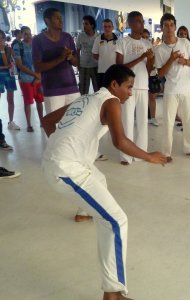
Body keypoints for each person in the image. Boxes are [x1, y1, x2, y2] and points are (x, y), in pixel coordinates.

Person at [41, 64, 167, 299]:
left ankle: (85, 212)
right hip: (66, 169)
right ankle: (113, 293)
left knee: (99, 178)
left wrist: (60, 146)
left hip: (60, 162)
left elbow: (47, 121)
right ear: (113, 86)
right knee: (117, 220)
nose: (130, 92)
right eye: (128, 87)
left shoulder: (84, 99)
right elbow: (120, 141)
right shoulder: (111, 102)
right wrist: (149, 156)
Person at [155, 13, 190, 162]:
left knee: (188, 121)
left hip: (186, 88)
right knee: (168, 123)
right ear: (161, 28)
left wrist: (184, 61)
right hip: (171, 90)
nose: (169, 28)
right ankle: (166, 153)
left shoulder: (185, 42)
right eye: (166, 25)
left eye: (171, 25)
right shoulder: (159, 49)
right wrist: (171, 59)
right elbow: (160, 73)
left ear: (175, 26)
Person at [116, 11, 153, 165]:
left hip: (143, 86)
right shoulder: (123, 42)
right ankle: (126, 155)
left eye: (142, 21)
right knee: (127, 121)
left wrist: (149, 59)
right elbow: (119, 67)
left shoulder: (147, 43)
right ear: (130, 23)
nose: (142, 24)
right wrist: (141, 57)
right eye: (138, 21)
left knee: (143, 122)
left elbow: (149, 69)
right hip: (127, 88)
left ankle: (140, 153)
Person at [32, 7, 80, 114]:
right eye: (57, 18)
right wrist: (60, 58)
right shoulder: (38, 40)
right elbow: (38, 67)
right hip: (53, 90)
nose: (61, 20)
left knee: (75, 123)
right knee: (55, 127)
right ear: (47, 20)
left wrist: (71, 57)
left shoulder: (67, 37)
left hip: (72, 88)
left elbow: (76, 63)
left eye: (61, 17)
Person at [13, 26, 44, 132]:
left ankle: (42, 121)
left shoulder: (36, 45)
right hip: (26, 79)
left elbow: (41, 62)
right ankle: (29, 125)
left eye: (29, 33)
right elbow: (20, 66)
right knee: (28, 102)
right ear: (21, 34)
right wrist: (36, 75)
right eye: (25, 34)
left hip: (38, 78)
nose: (28, 36)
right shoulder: (18, 47)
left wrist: (38, 76)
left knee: (40, 101)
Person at [0, 30, 20, 130]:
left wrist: (3, 51)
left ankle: (11, 122)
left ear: (4, 38)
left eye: (1, 38)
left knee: (10, 99)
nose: (0, 40)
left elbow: (12, 62)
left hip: (9, 75)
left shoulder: (9, 49)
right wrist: (4, 67)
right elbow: (5, 65)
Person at [76, 15, 100, 94]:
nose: (84, 26)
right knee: (83, 91)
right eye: (83, 24)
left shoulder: (98, 37)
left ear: (92, 25)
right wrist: (78, 66)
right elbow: (77, 51)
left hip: (96, 67)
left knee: (98, 90)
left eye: (86, 24)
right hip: (83, 67)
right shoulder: (80, 36)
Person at [92, 18, 118, 88]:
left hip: (115, 72)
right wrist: (103, 59)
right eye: (105, 26)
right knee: (102, 94)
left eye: (109, 26)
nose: (107, 28)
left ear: (112, 27)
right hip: (102, 72)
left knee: (114, 93)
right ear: (102, 28)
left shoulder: (119, 40)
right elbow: (94, 55)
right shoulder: (98, 39)